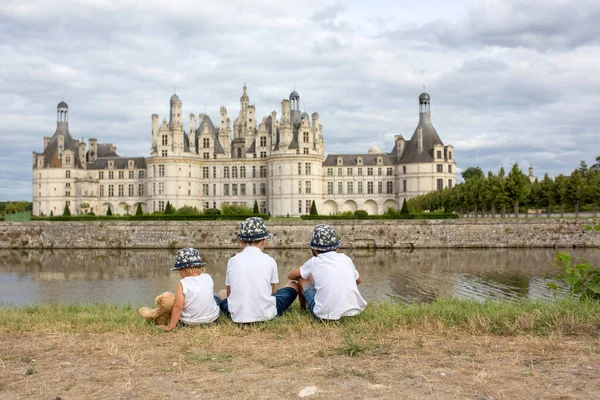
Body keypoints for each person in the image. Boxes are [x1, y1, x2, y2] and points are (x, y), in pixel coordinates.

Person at [219, 217, 299, 323]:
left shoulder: (232, 261)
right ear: (263, 241)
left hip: (237, 316)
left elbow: (229, 294)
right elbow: (270, 292)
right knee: (293, 284)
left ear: (241, 242)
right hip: (265, 315)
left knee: (222, 292)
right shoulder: (270, 260)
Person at [288, 224, 367, 321]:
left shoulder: (314, 261)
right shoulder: (346, 259)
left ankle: (303, 309)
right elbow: (359, 280)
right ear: (337, 247)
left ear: (314, 249)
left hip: (323, 317)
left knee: (302, 278)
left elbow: (291, 276)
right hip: (353, 312)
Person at [158, 248, 220, 331]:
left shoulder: (182, 284)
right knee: (215, 296)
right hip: (212, 320)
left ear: (184, 269)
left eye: (179, 271)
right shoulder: (208, 277)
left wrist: (170, 326)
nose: (179, 273)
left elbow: (179, 306)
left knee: (180, 301)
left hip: (190, 323)